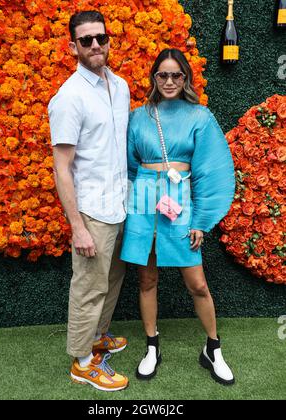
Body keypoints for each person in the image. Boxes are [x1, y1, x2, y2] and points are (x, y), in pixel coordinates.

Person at [120, 49, 236, 386]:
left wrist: (200, 220)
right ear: (154, 78)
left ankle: (213, 348)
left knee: (197, 283)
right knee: (147, 280)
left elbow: (209, 171)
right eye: (162, 75)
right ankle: (152, 346)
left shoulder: (200, 116)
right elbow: (128, 166)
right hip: (143, 203)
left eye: (176, 75)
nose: (169, 81)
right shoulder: (138, 117)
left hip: (179, 204)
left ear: (185, 78)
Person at [48, 11, 130, 392]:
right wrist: (77, 226)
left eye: (101, 37)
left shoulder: (122, 86)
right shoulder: (69, 97)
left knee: (113, 278)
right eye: (86, 40)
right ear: (73, 47)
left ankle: (97, 338)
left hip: (120, 204)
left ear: (108, 40)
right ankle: (82, 363)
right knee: (88, 287)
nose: (95, 44)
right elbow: (62, 168)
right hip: (92, 210)